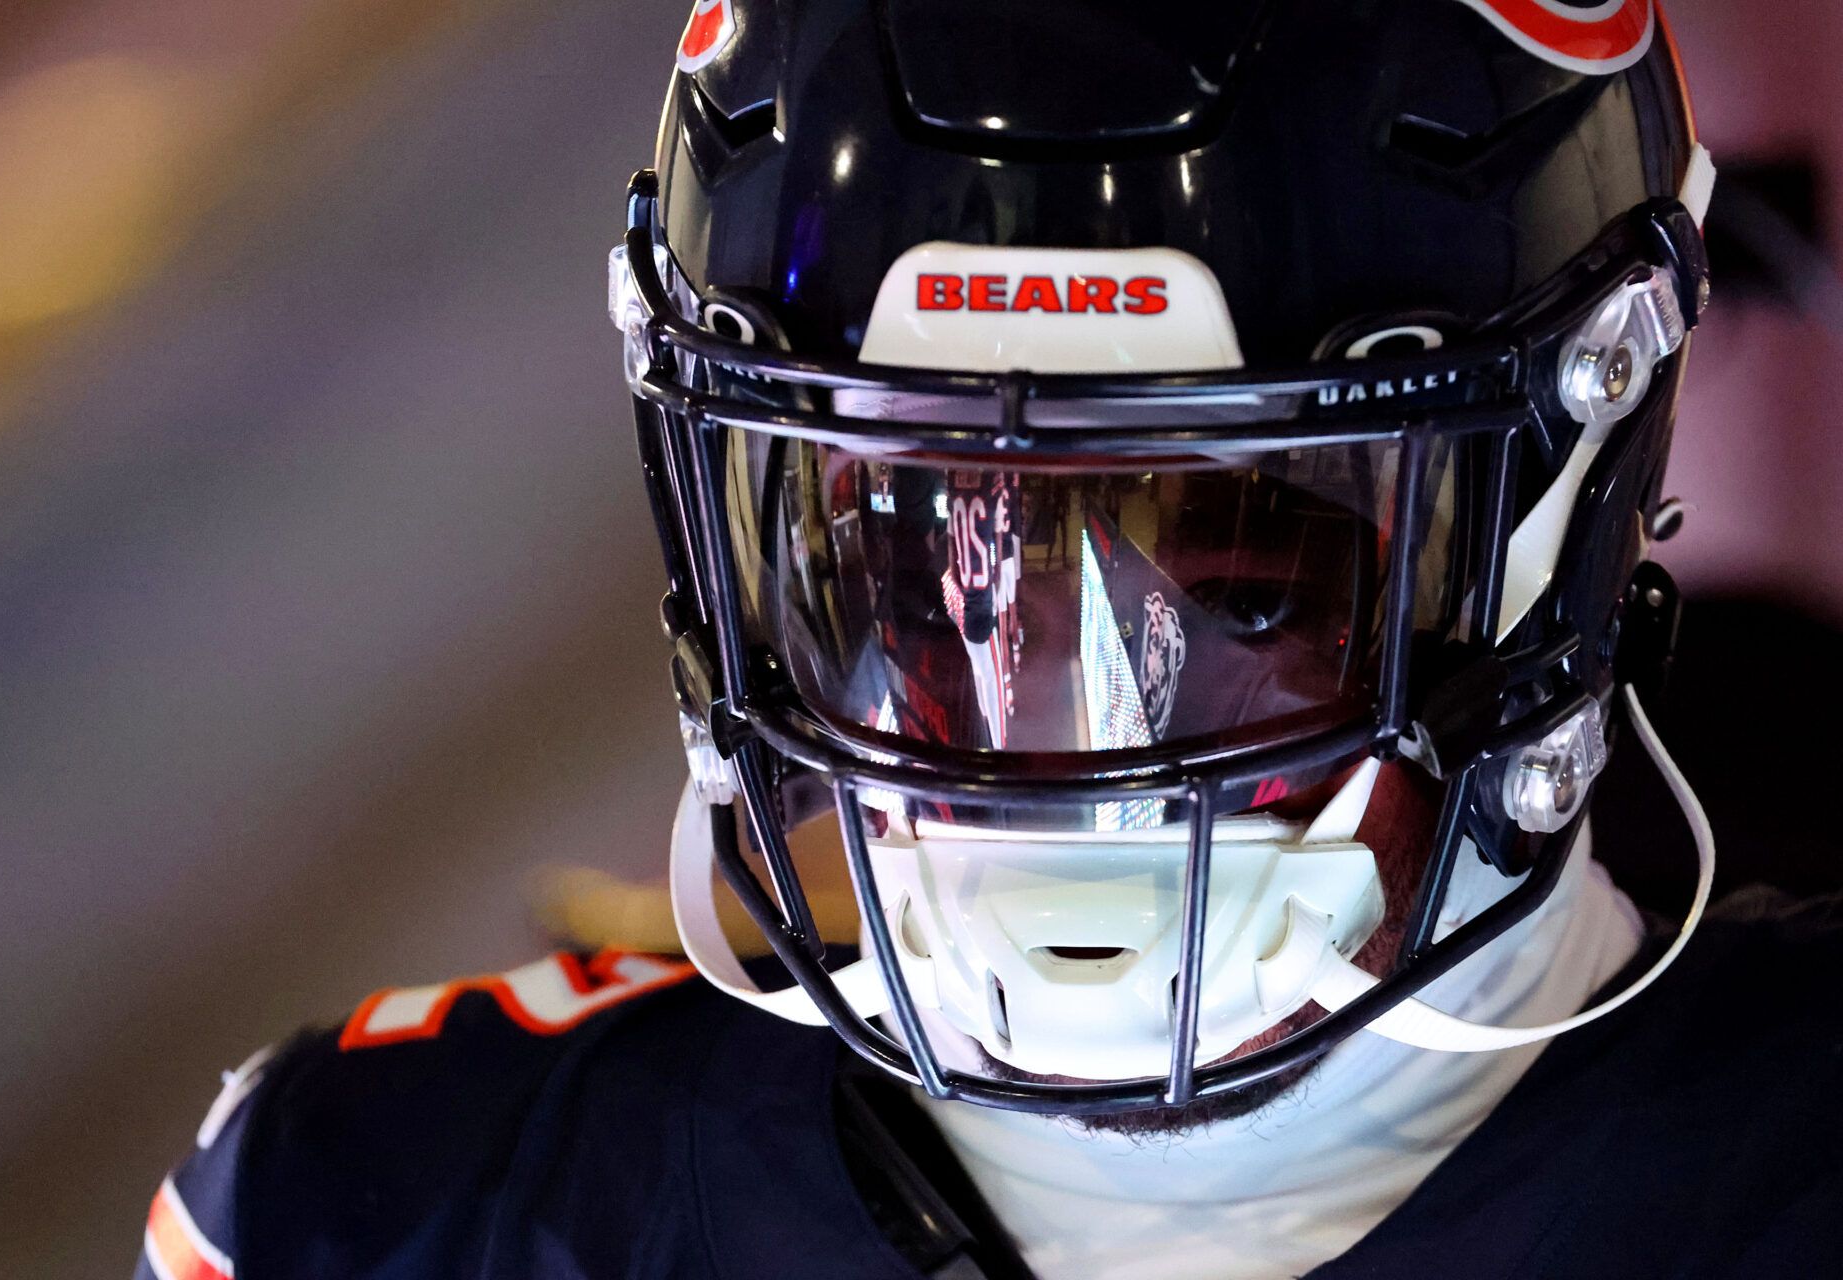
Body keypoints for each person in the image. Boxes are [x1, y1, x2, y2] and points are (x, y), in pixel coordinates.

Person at [133, 3, 1843, 1278]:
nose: (1061, 722)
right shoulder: (363, 1215)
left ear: (1586, 476)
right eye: (921, 559)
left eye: (1250, 575)